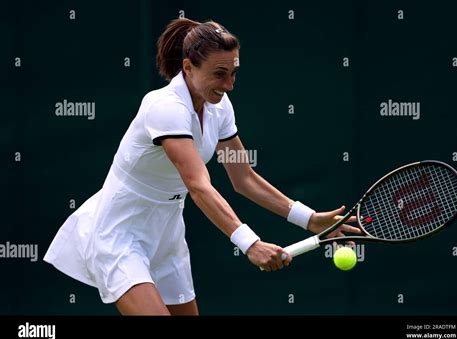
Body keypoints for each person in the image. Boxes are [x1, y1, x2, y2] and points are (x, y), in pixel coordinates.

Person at [43, 18, 361, 316]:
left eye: (233, 73)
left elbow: (243, 177)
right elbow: (198, 185)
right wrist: (249, 243)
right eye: (219, 74)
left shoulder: (218, 105)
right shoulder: (165, 108)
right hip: (119, 234)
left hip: (167, 235)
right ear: (187, 67)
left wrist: (309, 219)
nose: (229, 84)